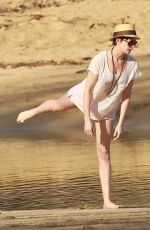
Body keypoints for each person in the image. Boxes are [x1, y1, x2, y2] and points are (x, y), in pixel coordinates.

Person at [17, 23, 142, 209]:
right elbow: (88, 90)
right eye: (129, 42)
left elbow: (126, 96)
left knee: (104, 153)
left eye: (134, 42)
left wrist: (121, 123)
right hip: (86, 96)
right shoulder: (100, 59)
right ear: (118, 40)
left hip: (107, 107)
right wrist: (86, 120)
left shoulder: (132, 65)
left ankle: (107, 201)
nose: (132, 45)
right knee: (57, 106)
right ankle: (32, 111)